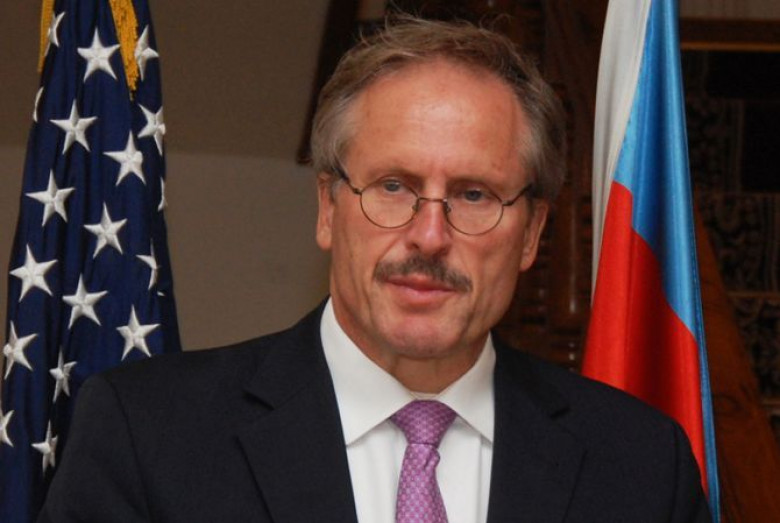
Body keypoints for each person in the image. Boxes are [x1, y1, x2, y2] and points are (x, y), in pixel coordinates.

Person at [39, 16, 712, 523]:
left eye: (474, 194)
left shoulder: (642, 466)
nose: (429, 236)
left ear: (532, 232)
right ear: (328, 208)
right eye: (393, 186)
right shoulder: (148, 433)